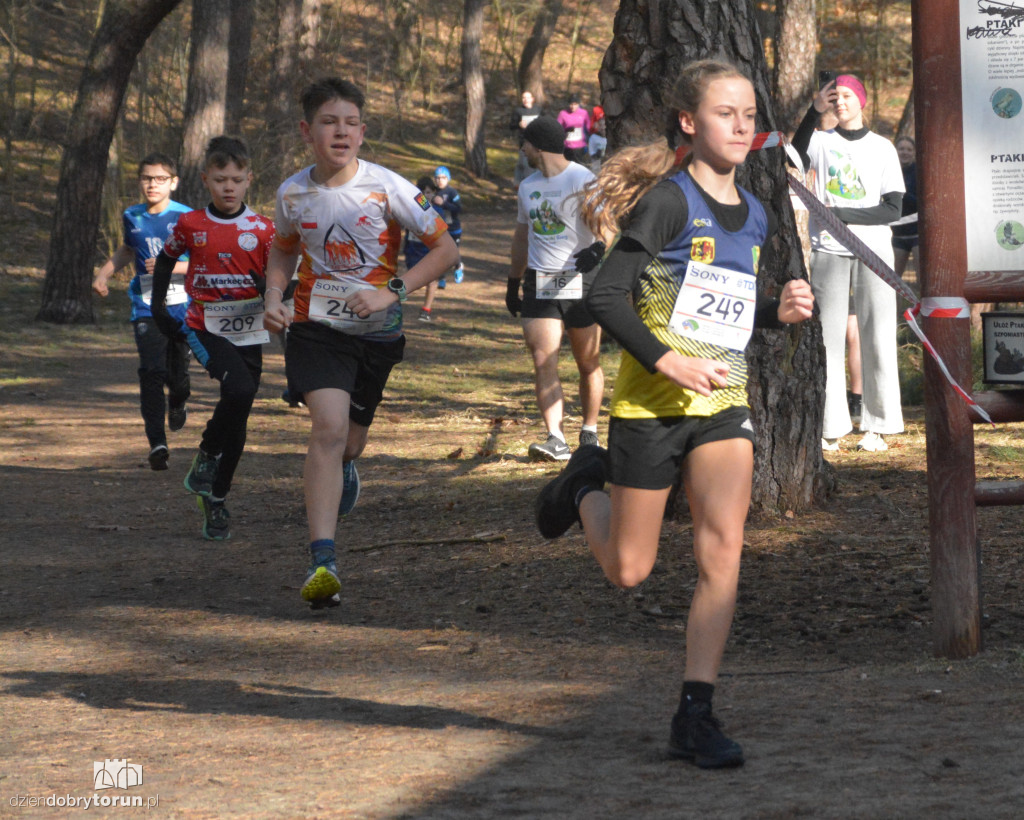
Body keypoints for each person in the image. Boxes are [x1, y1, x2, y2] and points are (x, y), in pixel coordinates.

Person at [534, 60, 814, 768]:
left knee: (723, 554)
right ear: (689, 123)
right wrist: (666, 361)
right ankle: (583, 485)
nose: (743, 126)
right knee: (629, 571)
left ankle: (696, 712)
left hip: (722, 405)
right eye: (727, 113)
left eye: (750, 114)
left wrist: (774, 315)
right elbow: (603, 298)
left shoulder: (754, 211)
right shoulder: (668, 202)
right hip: (651, 407)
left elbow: (720, 313)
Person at [262, 78, 458, 609]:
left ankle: (347, 466)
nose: (340, 131)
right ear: (307, 131)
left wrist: (390, 291)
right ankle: (322, 558)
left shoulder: (391, 188)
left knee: (348, 442)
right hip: (314, 327)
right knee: (326, 429)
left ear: (363, 132)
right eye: (329, 121)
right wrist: (273, 294)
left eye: (350, 122)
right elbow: (281, 252)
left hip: (377, 334)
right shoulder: (292, 193)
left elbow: (445, 250)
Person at [150, 136, 275, 541]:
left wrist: (273, 289)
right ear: (206, 179)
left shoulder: (263, 228)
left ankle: (216, 497)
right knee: (237, 390)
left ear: (249, 180)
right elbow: (167, 258)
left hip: (250, 328)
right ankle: (206, 454)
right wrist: (157, 307)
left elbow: (283, 279)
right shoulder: (191, 224)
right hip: (205, 325)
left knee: (238, 416)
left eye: (237, 180)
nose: (229, 187)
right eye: (221, 179)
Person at [792, 73, 905, 452]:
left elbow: (892, 208)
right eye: (834, 97)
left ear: (862, 100)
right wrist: (813, 111)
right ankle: (830, 425)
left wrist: (836, 212)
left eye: (846, 96)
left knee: (877, 334)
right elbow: (792, 154)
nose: (840, 103)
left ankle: (878, 424)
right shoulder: (821, 142)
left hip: (874, 253)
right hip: (829, 250)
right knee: (827, 338)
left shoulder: (883, 148)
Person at [507, 115, 605, 462]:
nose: (523, 150)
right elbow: (522, 236)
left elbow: (608, 222)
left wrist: (599, 247)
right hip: (541, 280)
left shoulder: (583, 178)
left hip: (581, 278)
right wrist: (514, 280)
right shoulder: (528, 186)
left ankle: (590, 431)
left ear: (537, 146)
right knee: (543, 358)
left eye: (526, 144)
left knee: (587, 361)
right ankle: (555, 437)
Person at [92, 153, 192, 471]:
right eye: (147, 178)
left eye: (160, 178)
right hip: (146, 304)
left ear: (173, 183)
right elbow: (127, 250)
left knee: (178, 379)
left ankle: (178, 400)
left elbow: (206, 261)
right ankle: (157, 443)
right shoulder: (131, 215)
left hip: (182, 305)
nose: (152, 184)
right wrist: (103, 274)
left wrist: (170, 266)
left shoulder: (188, 218)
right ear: (139, 181)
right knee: (151, 372)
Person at [405, 175, 441, 322]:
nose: (426, 196)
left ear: (433, 192)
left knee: (432, 281)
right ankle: (395, 297)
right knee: (412, 280)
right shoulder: (412, 208)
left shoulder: (437, 210)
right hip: (413, 251)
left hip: (430, 251)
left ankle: (426, 309)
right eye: (423, 193)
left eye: (429, 192)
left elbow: (442, 231)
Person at [891, 135, 918, 280]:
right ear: (895, 151)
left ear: (914, 152)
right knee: (893, 281)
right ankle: (895, 304)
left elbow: (922, 203)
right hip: (896, 234)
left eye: (909, 149)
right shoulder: (888, 171)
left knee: (924, 281)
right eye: (901, 149)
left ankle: (922, 304)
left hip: (918, 234)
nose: (905, 152)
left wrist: (904, 194)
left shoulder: (920, 172)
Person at [432, 166, 465, 284]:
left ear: (448, 179)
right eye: (438, 178)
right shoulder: (433, 192)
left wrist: (444, 204)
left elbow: (459, 209)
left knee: (453, 251)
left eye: (443, 178)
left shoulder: (452, 192)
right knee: (441, 253)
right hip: (438, 229)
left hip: (453, 228)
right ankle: (442, 278)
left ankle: (458, 267)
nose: (440, 180)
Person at [509, 89, 543, 188]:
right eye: (523, 97)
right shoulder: (518, 111)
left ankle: (535, 184)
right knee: (524, 163)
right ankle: (522, 184)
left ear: (532, 99)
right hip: (524, 141)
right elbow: (511, 125)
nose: (525, 99)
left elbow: (546, 121)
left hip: (537, 142)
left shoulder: (538, 110)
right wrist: (519, 124)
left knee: (536, 164)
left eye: (528, 97)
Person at [557, 94, 591, 164]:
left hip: (580, 146)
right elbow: (557, 129)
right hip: (567, 146)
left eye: (575, 104)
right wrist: (566, 130)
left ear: (578, 104)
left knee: (579, 167)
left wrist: (588, 141)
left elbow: (588, 127)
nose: (573, 106)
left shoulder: (584, 113)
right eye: (571, 104)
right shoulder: (563, 114)